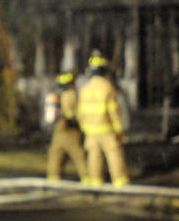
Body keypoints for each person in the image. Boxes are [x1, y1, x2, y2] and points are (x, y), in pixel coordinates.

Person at [77, 50, 129, 187]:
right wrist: (119, 130)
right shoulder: (107, 88)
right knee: (114, 156)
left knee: (94, 158)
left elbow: (80, 113)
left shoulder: (85, 89)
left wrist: (84, 128)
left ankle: (95, 185)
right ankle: (120, 183)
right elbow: (113, 112)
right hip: (107, 131)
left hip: (91, 132)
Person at [46, 72, 87, 183]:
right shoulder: (72, 95)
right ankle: (88, 180)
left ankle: (53, 181)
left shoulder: (56, 95)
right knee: (80, 158)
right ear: (71, 83)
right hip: (71, 133)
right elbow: (78, 114)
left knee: (55, 158)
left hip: (57, 133)